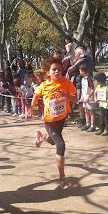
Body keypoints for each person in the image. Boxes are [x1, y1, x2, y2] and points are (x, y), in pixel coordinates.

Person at [30, 58, 76, 188]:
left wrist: (65, 95)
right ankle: (62, 177)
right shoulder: (44, 85)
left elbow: (75, 99)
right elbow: (36, 95)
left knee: (52, 141)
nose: (57, 71)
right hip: (49, 121)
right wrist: (31, 108)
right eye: (54, 69)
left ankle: (41, 137)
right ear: (48, 72)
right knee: (60, 145)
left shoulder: (66, 83)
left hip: (61, 119)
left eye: (59, 70)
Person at [79, 64, 96, 132]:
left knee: (91, 112)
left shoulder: (89, 79)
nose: (79, 72)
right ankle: (87, 124)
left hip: (89, 97)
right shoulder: (82, 79)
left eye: (80, 70)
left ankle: (92, 125)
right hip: (84, 97)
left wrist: (88, 97)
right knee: (86, 111)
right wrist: (82, 97)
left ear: (83, 71)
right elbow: (83, 89)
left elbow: (92, 89)